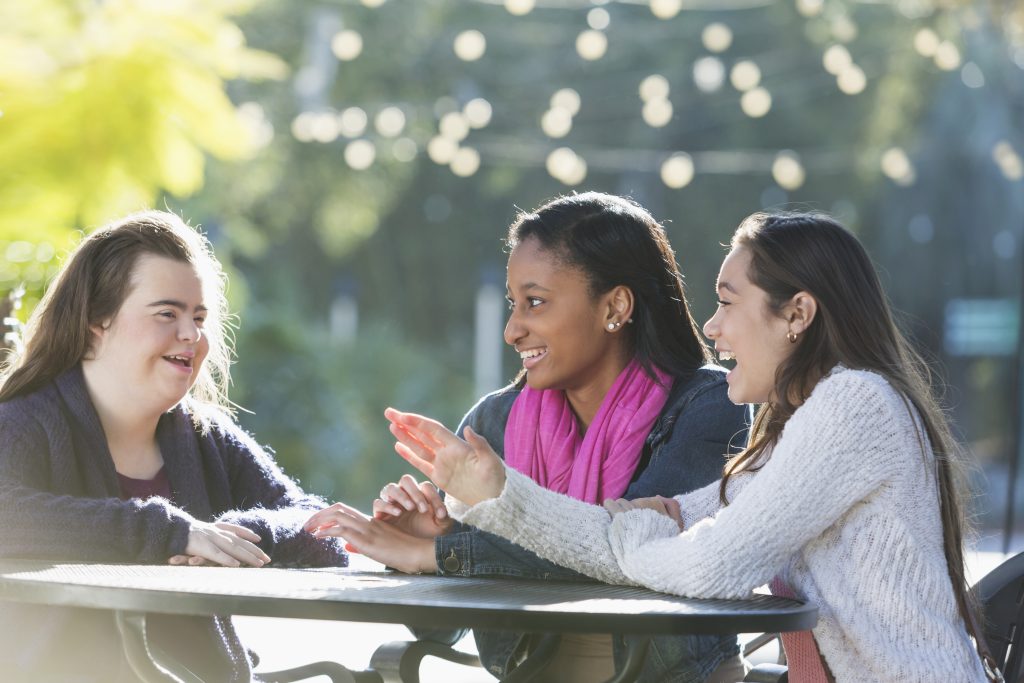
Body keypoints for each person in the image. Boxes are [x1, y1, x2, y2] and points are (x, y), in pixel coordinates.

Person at [383, 211, 997, 683]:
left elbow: (709, 567)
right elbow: (615, 539)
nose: (712, 326)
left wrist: (646, 529)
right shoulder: (800, 428)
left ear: (797, 315)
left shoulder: (853, 405)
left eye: (729, 302)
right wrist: (495, 494)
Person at [305, 192, 751, 682]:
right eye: (513, 304)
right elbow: (436, 631)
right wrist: (427, 550)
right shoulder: (493, 422)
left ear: (616, 306)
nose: (512, 330)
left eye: (535, 303)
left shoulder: (707, 405)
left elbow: (633, 554)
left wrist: (442, 556)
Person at [0, 210, 347, 683]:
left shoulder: (207, 438)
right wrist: (167, 531)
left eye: (199, 317)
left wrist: (234, 538)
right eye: (168, 313)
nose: (192, 335)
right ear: (95, 322)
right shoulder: (22, 422)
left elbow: (324, 525)